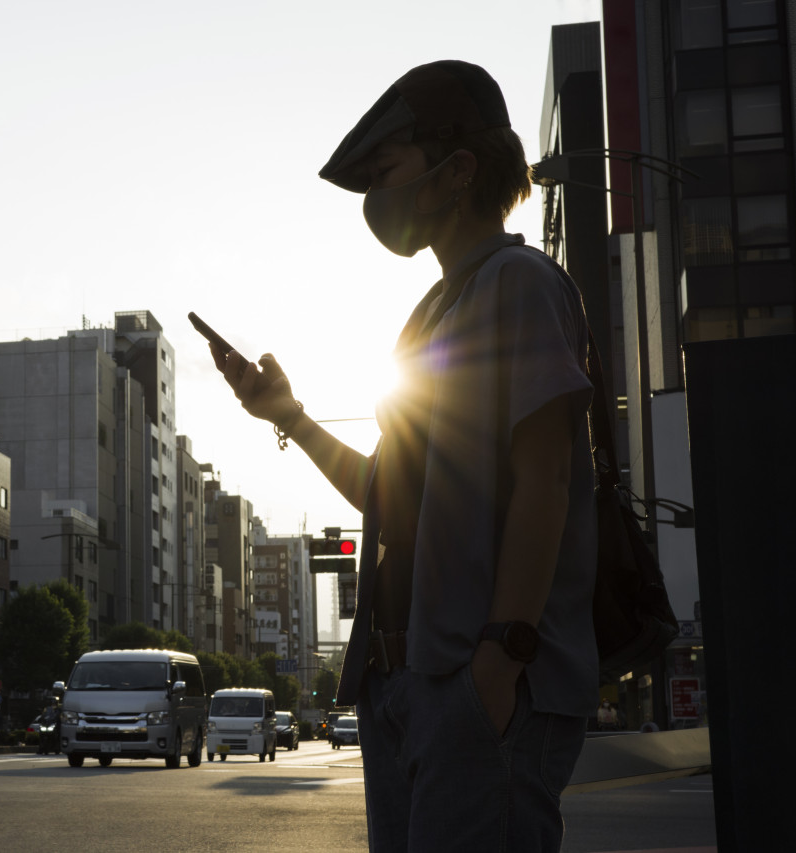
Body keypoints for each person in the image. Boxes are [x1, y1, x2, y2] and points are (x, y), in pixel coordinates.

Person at [208, 60, 596, 852]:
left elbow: (547, 481)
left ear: (455, 172)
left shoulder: (518, 282)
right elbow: (386, 494)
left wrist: (498, 664)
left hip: (477, 684)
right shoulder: (431, 313)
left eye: (386, 172)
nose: (375, 199)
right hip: (410, 684)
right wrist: (291, 416)